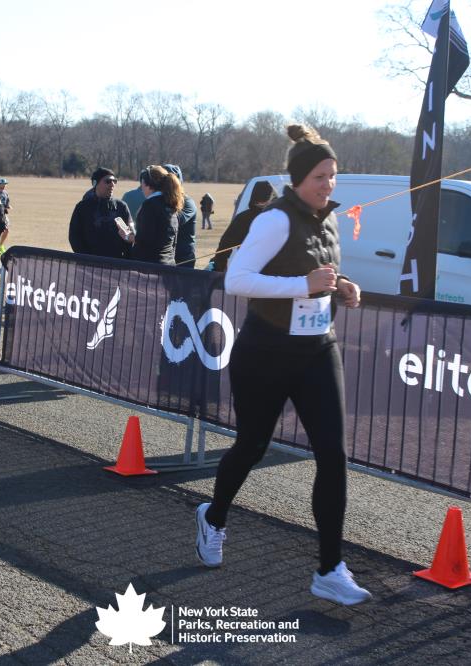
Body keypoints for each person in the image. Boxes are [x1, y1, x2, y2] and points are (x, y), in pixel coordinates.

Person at [194, 124, 369, 606]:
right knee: (252, 446)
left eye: (333, 175)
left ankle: (330, 569)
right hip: (266, 351)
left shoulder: (329, 220)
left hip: (318, 349)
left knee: (333, 455)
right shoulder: (274, 220)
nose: (328, 185)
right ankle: (213, 517)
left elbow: (321, 272)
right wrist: (302, 286)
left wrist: (342, 286)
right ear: (297, 180)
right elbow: (237, 280)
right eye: (319, 177)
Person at [119, 165, 181, 265]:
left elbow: (144, 239)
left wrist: (127, 236)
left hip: (149, 266)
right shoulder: (170, 203)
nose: (141, 188)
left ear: (148, 185)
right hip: (168, 264)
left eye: (142, 183)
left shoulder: (150, 205)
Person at [68, 167, 133, 259]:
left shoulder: (121, 207)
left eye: (114, 181)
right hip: (88, 263)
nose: (112, 184)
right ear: (95, 183)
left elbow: (129, 236)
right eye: (108, 181)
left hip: (116, 263)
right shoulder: (82, 207)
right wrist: (86, 258)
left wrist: (125, 260)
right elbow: (74, 237)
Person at [212, 181, 277, 273]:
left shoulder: (276, 218)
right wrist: (219, 268)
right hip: (251, 271)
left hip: (270, 271)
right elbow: (225, 246)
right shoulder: (243, 219)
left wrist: (219, 267)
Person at [162, 164, 197, 268]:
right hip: (165, 255)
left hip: (183, 257)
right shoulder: (158, 200)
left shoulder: (187, 202)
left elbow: (176, 221)